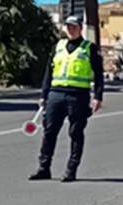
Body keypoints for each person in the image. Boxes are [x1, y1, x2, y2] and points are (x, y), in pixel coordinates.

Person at [29, 16, 103, 183]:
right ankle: (44, 168)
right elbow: (49, 71)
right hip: (56, 94)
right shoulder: (59, 46)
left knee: (75, 133)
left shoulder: (89, 48)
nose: (71, 29)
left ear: (80, 28)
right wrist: (44, 94)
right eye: (68, 26)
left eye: (74, 26)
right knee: (49, 131)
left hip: (78, 96)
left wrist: (97, 97)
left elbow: (99, 75)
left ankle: (71, 170)